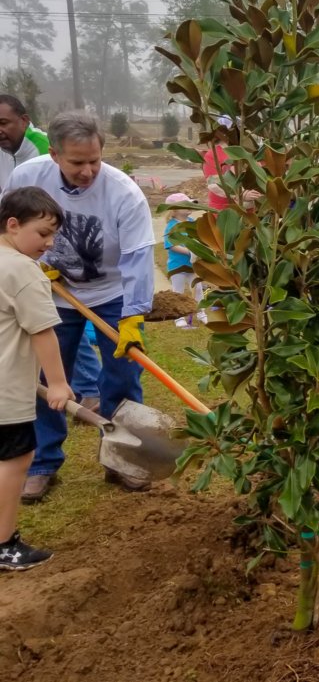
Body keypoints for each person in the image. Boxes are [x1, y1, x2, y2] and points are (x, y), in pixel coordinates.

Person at [4, 111, 156, 501]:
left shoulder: (123, 192)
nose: (88, 171)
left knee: (122, 377)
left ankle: (123, 458)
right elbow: (10, 228)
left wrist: (133, 315)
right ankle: (42, 463)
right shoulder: (27, 177)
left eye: (94, 160)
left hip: (113, 292)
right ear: (54, 154)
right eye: (77, 162)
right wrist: (34, 268)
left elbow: (138, 256)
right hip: (53, 289)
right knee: (49, 376)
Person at [0, 95, 102, 413]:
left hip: (38, 264)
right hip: (12, 398)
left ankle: (86, 387)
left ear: (24, 120)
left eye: (4, 123)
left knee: (59, 331)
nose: (87, 170)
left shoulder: (37, 146)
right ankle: (82, 389)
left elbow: (31, 211)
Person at [0, 187, 75, 570]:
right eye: (42, 234)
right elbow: (43, 330)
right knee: (16, 459)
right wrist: (59, 384)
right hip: (7, 388)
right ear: (13, 225)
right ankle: (4, 544)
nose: (49, 244)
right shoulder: (22, 270)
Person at [164, 192, 206, 329]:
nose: (190, 207)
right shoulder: (172, 225)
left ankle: (201, 313)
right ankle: (179, 317)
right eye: (185, 205)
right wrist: (189, 251)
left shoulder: (193, 223)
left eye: (191, 204)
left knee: (198, 289)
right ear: (174, 210)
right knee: (178, 292)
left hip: (193, 265)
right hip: (178, 266)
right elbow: (171, 245)